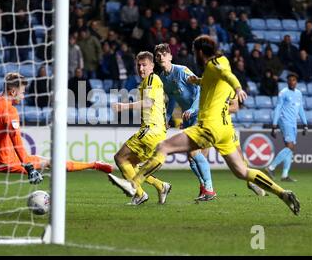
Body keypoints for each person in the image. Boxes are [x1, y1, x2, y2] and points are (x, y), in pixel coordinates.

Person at [108, 35, 300, 216]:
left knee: (164, 147)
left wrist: (238, 88)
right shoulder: (218, 63)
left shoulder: (210, 66)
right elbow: (213, 80)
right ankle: (282, 193)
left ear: (199, 52)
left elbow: (225, 75)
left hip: (208, 126)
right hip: (224, 127)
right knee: (242, 171)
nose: (193, 55)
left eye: (194, 51)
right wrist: (198, 81)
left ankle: (134, 184)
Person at [0, 73, 113, 210]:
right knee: (51, 162)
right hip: (5, 159)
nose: (23, 96)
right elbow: (17, 143)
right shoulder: (10, 111)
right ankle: (94, 165)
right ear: (13, 91)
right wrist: (29, 168)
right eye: (22, 92)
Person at [154, 43, 216, 201]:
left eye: (164, 53)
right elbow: (173, 98)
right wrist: (167, 118)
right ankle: (204, 188)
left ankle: (209, 189)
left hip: (200, 112)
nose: (161, 56)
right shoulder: (163, 78)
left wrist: (193, 109)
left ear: (170, 56)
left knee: (194, 152)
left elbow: (199, 89)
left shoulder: (182, 71)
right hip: (188, 116)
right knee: (190, 156)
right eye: (158, 54)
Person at [109, 51, 172, 205]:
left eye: (144, 65)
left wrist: (124, 106)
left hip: (150, 131)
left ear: (152, 66)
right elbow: (163, 102)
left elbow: (148, 103)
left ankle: (139, 194)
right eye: (139, 65)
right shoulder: (146, 83)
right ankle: (161, 186)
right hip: (157, 132)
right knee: (131, 164)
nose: (141, 68)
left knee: (120, 158)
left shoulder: (152, 78)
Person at [266, 73, 308, 182]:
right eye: (290, 80)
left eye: (294, 80)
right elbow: (278, 108)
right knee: (290, 146)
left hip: (293, 123)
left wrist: (305, 123)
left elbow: (300, 109)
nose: (292, 82)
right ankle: (271, 167)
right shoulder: (283, 93)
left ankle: (284, 175)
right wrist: (274, 125)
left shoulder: (299, 94)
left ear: (296, 82)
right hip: (285, 121)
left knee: (291, 148)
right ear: (287, 82)